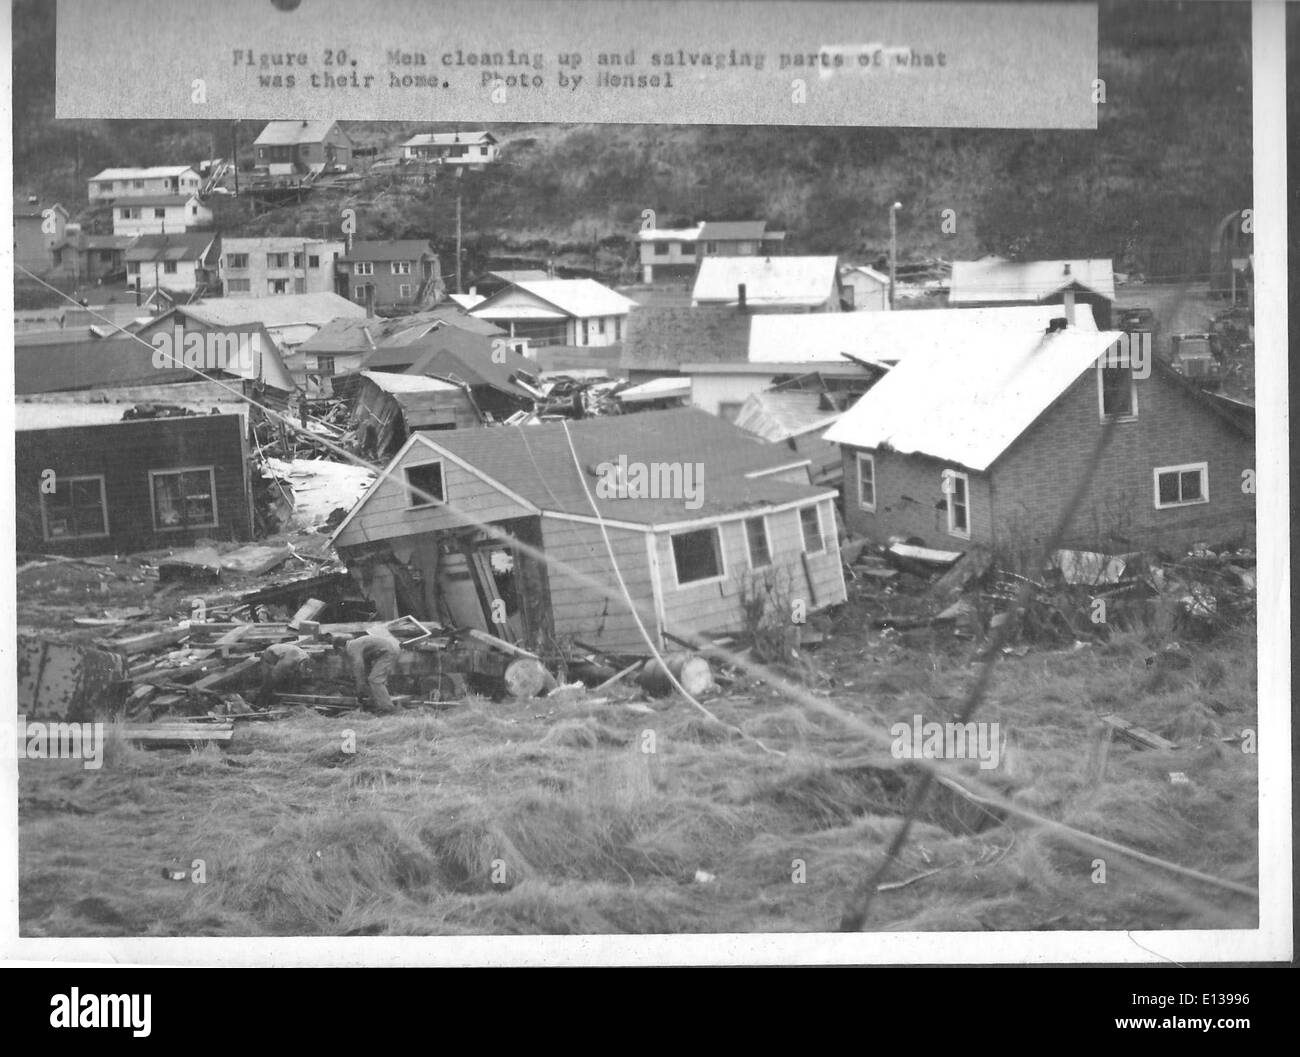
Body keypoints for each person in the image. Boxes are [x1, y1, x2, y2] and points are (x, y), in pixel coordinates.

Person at [341, 626, 402, 714]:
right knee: (372, 679)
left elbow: (359, 667)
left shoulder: (352, 648)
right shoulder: (356, 644)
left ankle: (388, 709)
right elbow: (366, 664)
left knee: (375, 680)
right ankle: (379, 704)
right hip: (387, 650)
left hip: (388, 651)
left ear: (340, 649)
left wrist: (360, 690)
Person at [255, 641, 313, 710]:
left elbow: (302, 671)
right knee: (269, 682)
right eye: (303, 673)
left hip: (285, 652)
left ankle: (288, 697)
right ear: (300, 665)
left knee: (293, 677)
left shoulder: (306, 658)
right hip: (270, 656)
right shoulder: (288, 662)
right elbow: (275, 674)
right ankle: (260, 704)